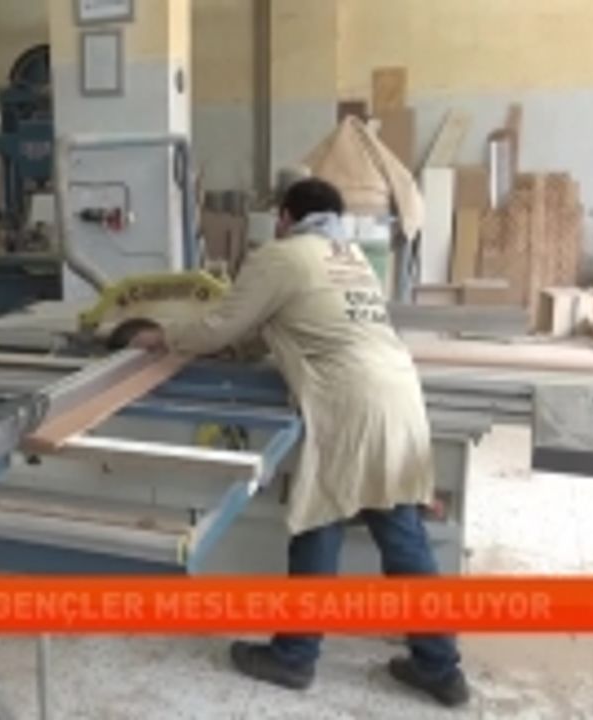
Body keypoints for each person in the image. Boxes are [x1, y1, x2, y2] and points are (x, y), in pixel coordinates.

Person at [126, 178, 470, 708]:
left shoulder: (281, 256)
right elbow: (278, 325)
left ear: (286, 218)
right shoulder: (351, 256)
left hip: (349, 402)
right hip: (400, 396)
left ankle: (293, 657)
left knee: (317, 521)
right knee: (403, 533)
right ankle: (440, 667)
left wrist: (161, 337)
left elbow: (220, 326)